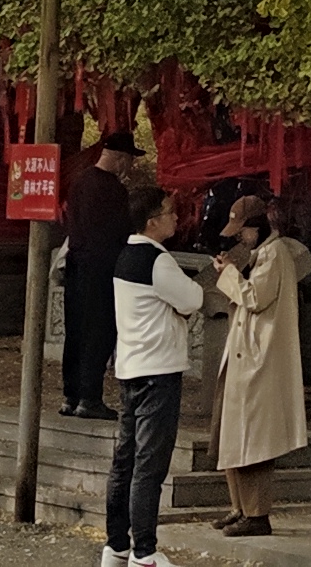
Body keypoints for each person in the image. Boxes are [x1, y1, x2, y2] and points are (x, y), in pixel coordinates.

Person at [101, 185, 208, 567]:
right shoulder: (156, 260)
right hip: (158, 371)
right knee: (149, 464)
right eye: (169, 212)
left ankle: (116, 545)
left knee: (125, 461)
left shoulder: (126, 255)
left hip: (131, 366)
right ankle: (144, 550)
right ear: (152, 221)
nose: (176, 218)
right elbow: (193, 298)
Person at [208, 192, 311, 537]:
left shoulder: (275, 253)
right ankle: (239, 507)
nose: (240, 236)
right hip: (243, 355)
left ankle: (256, 513)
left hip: (259, 358)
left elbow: (255, 298)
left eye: (243, 230)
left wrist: (228, 275)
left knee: (253, 440)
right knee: (232, 434)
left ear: (256, 226)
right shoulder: (260, 254)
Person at [59, 134, 135, 419]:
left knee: (76, 330)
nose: (128, 167)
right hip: (102, 268)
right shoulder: (113, 189)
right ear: (120, 158)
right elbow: (123, 229)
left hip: (77, 264)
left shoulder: (79, 181)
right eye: (128, 160)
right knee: (99, 331)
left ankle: (71, 394)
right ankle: (89, 397)